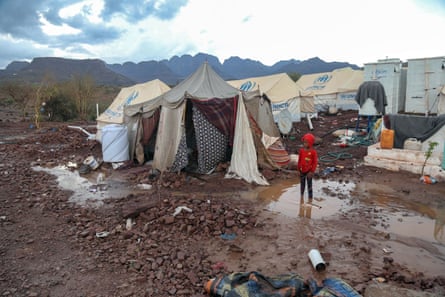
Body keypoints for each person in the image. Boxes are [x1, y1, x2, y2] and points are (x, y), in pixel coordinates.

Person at [297, 133, 318, 203]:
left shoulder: (313, 152)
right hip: (302, 171)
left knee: (309, 186)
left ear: (311, 143)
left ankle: (310, 199)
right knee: (302, 185)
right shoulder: (301, 151)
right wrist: (298, 169)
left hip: (309, 171)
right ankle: (301, 197)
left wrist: (312, 171)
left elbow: (315, 163)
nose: (304, 144)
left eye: (306, 142)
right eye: (304, 142)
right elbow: (299, 160)